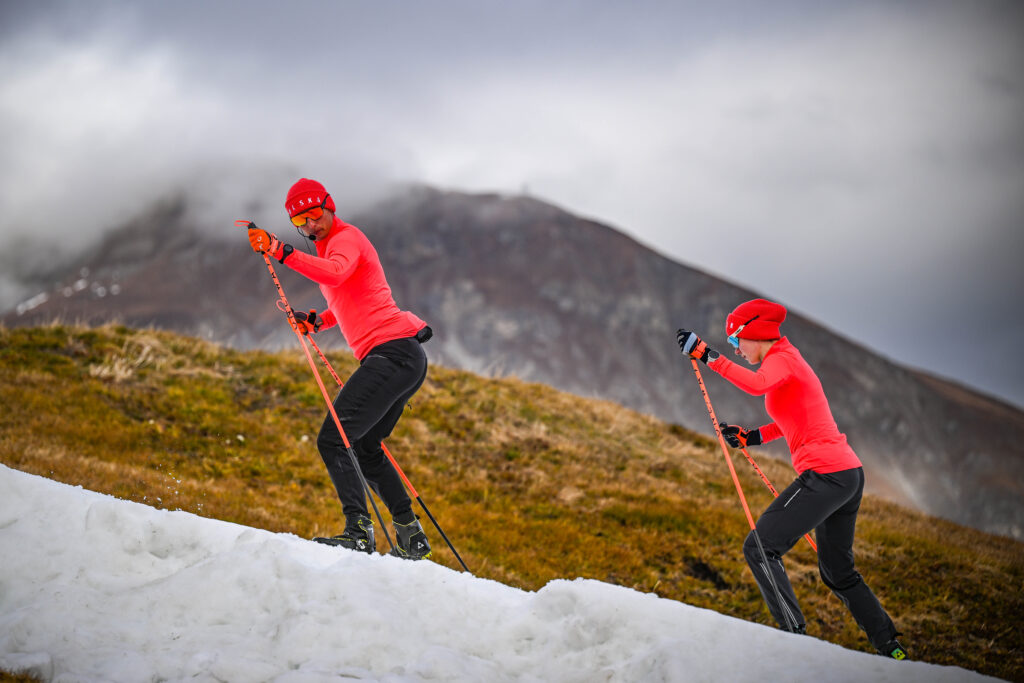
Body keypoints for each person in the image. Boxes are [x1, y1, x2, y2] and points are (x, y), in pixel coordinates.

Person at [677, 298, 907, 660]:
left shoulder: (781, 359)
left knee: (759, 548)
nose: (735, 349)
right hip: (847, 474)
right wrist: (752, 437)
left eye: (736, 340)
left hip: (827, 475)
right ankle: (890, 647)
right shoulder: (786, 359)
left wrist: (707, 354)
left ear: (753, 332)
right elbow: (793, 417)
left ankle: (793, 639)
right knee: (838, 573)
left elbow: (756, 386)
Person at [247, 177, 432, 560]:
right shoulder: (332, 247)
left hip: (393, 354)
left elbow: (333, 273)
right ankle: (411, 536)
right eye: (300, 222)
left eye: (315, 215)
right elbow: (349, 299)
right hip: (403, 357)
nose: (310, 225)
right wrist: (317, 321)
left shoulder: (346, 239)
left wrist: (280, 250)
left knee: (333, 439)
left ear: (329, 207)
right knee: (364, 446)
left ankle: (358, 533)